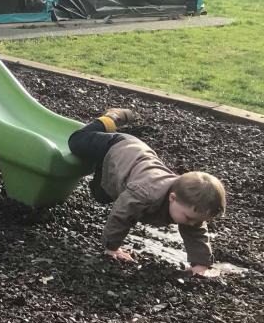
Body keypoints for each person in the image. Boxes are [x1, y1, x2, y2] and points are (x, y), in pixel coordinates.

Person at [67, 108, 225, 277]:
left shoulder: (189, 209)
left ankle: (99, 164)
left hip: (127, 166)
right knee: (75, 142)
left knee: (101, 195)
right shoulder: (144, 194)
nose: (192, 223)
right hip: (117, 147)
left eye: (198, 220)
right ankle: (110, 119)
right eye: (189, 218)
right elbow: (121, 214)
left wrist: (201, 264)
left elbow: (197, 232)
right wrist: (111, 248)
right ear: (172, 197)